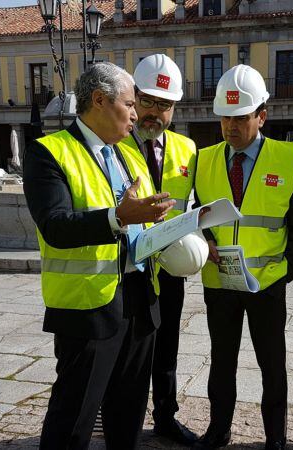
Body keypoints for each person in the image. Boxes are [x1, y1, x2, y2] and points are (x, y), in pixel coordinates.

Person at [23, 62, 175, 450]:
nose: (137, 114)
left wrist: (171, 229)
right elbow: (55, 225)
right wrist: (120, 216)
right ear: (99, 101)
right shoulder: (49, 152)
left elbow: (139, 220)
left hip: (141, 298)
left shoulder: (128, 154)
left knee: (128, 414)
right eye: (129, 104)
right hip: (88, 306)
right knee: (74, 417)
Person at [192, 64, 293, 450]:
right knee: (221, 361)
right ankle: (218, 429)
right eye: (225, 117)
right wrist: (201, 243)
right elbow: (194, 216)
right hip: (219, 282)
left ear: (262, 114)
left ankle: (275, 437)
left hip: (268, 283)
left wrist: (290, 267)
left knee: (272, 365)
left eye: (241, 117)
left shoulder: (289, 158)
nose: (231, 126)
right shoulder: (204, 159)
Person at [117, 53, 199, 445]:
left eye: (164, 105)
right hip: (128, 270)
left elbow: (193, 205)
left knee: (167, 349)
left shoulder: (188, 149)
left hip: (169, 270)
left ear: (174, 107)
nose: (153, 113)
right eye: (146, 101)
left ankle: (165, 417)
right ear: (133, 98)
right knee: (128, 355)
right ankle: (119, 423)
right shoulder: (115, 145)